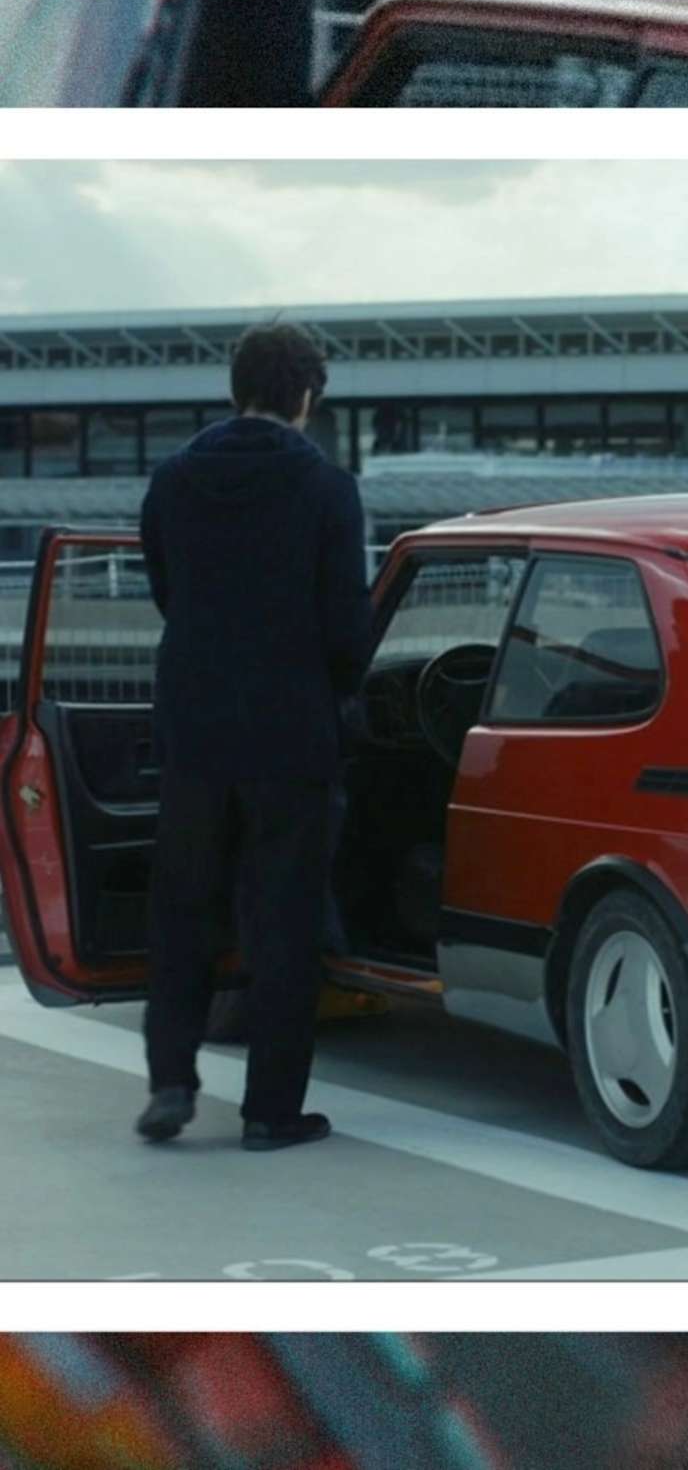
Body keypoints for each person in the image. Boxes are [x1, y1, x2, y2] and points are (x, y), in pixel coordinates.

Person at [134, 322, 373, 1152]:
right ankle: (271, 1112)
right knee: (283, 924)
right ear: (307, 395)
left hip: (194, 731)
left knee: (183, 911)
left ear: (236, 389)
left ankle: (171, 1081)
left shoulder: (173, 481)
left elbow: (168, 590)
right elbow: (349, 628)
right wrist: (331, 692)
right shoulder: (327, 490)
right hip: (288, 735)